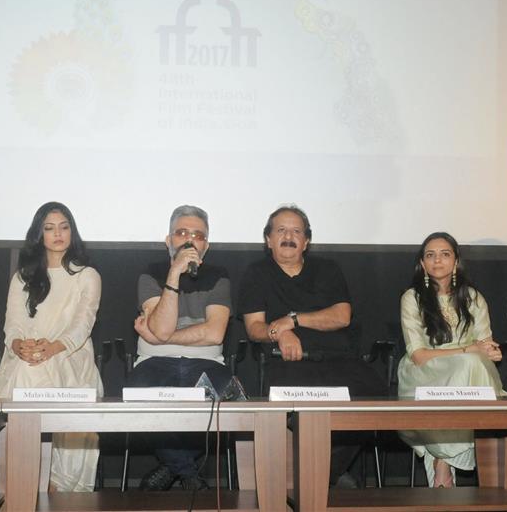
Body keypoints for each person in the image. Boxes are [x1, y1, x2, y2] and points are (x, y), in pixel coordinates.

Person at [239, 205, 386, 488]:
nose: (288, 236)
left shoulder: (328, 269)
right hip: (289, 362)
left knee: (373, 398)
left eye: (296, 231)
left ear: (306, 241)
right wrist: (277, 333)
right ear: (267, 239)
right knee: (298, 412)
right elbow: (254, 327)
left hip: (339, 359)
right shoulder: (256, 273)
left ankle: (319, 475)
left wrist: (292, 321)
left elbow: (341, 316)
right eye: (280, 230)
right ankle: (323, 476)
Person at [0, 202, 102, 491]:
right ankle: (22, 486)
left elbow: (82, 324)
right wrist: (18, 345)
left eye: (64, 227)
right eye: (49, 228)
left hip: (70, 356)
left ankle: (52, 487)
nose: (58, 234)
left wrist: (52, 348)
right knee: (28, 368)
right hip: (27, 355)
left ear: (72, 232)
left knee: (34, 369)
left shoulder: (87, 275)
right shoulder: (23, 277)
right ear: (39, 235)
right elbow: (12, 323)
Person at [128, 205, 232, 491]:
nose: (189, 240)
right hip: (154, 363)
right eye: (182, 233)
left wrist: (162, 336)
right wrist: (173, 275)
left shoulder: (219, 276)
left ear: (205, 246)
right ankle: (188, 473)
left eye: (197, 235)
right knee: (139, 396)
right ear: (168, 241)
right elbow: (161, 328)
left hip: (206, 363)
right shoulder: (150, 274)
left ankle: (172, 466)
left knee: (228, 398)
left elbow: (214, 333)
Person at [398, 232, 505, 488]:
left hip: (471, 371)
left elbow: (485, 344)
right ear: (422, 264)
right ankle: (446, 459)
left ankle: (442, 461)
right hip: (423, 372)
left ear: (456, 262)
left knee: (473, 366)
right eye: (430, 255)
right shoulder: (412, 298)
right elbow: (418, 355)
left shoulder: (474, 297)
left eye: (445, 254)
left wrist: (490, 352)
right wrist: (468, 351)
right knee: (469, 364)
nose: (437, 260)